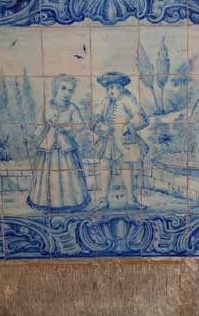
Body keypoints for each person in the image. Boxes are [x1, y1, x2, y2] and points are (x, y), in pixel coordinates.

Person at [27, 75, 90, 213]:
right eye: (63, 88)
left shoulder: (72, 108)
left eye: (70, 90)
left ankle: (70, 204)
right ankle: (46, 204)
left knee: (69, 175)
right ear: (56, 88)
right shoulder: (46, 106)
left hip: (66, 147)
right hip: (48, 147)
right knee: (47, 175)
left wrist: (68, 128)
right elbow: (39, 126)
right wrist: (32, 136)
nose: (66, 93)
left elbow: (80, 125)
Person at [93, 71, 149, 210]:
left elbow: (141, 117)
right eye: (108, 88)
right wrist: (100, 126)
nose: (110, 91)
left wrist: (130, 126)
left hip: (124, 140)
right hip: (108, 141)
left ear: (122, 88)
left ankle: (131, 199)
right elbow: (95, 118)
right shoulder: (105, 102)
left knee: (126, 168)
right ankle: (103, 200)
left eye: (114, 87)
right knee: (105, 167)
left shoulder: (128, 100)